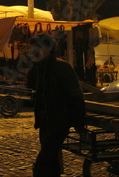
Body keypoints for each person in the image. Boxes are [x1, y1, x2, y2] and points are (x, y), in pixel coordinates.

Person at [27, 34, 86, 177]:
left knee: (42, 163)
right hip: (44, 122)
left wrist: (79, 124)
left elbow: (75, 96)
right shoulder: (39, 67)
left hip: (58, 122)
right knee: (51, 162)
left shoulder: (61, 67)